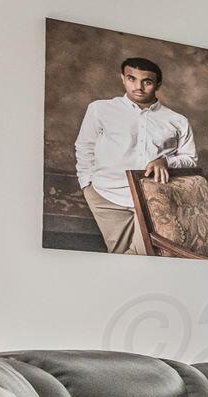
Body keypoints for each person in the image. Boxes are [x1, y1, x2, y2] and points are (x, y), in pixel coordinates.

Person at [73, 56, 198, 255]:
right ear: (123, 78)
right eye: (132, 79)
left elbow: (190, 159)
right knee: (118, 253)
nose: (138, 87)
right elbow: (85, 146)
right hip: (105, 195)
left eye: (147, 82)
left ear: (158, 84)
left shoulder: (177, 120)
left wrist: (165, 161)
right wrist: (86, 184)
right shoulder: (99, 109)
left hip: (154, 198)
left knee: (149, 253)